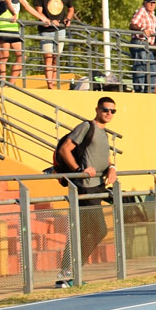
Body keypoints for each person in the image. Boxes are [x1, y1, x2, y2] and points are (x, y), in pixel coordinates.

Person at [54, 97, 118, 281]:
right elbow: (65, 149)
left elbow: (102, 158)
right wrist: (78, 171)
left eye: (113, 111)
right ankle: (70, 269)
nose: (108, 113)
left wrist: (111, 168)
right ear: (97, 109)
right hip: (85, 187)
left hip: (97, 186)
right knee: (97, 229)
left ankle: (67, 271)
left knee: (82, 229)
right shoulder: (86, 127)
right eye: (105, 109)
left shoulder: (104, 134)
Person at [29, 0, 75, 89]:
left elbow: (71, 8)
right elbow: (38, 11)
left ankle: (53, 82)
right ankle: (50, 84)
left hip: (60, 30)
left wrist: (68, 19)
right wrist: (48, 22)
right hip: (46, 31)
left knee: (56, 58)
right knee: (48, 57)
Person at [129, 0, 156, 93]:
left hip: (147, 45)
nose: (152, 5)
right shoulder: (142, 11)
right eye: (150, 2)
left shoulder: (152, 14)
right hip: (140, 42)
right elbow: (132, 25)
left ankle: (148, 92)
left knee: (152, 69)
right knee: (141, 66)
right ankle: (140, 91)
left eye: (154, 3)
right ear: (144, 3)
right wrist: (142, 30)